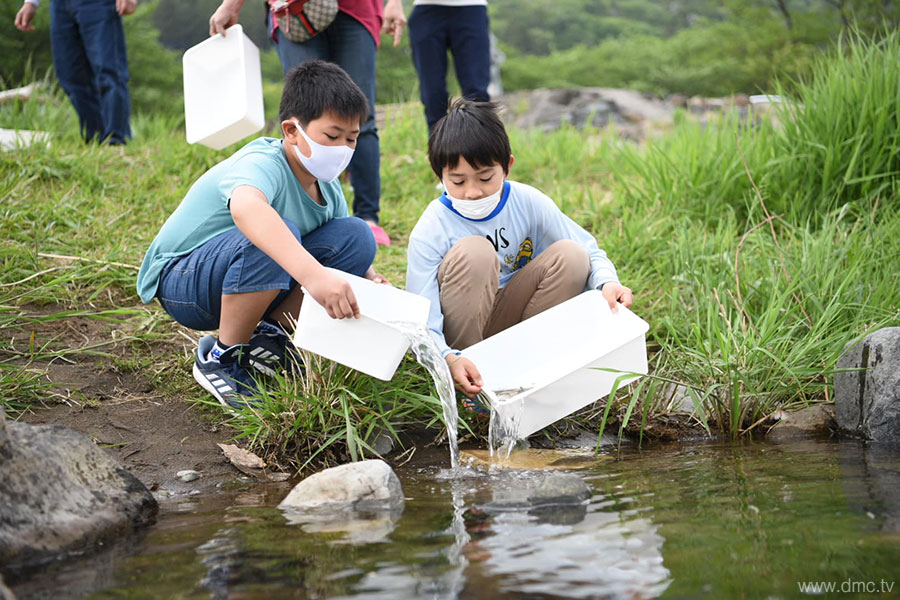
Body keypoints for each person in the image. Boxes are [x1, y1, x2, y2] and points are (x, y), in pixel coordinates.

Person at [136, 60, 388, 408]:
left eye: (351, 139)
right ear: (291, 130)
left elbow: (346, 249)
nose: (342, 149)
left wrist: (371, 280)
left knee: (358, 235)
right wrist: (315, 277)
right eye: (332, 136)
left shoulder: (328, 189)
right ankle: (222, 357)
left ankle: (266, 343)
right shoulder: (262, 162)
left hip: (243, 278)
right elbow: (247, 209)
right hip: (184, 282)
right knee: (274, 232)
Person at [405, 99, 634, 405]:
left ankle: (529, 370)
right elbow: (421, 313)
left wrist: (608, 283)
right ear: (439, 175)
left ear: (507, 167)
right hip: (461, 335)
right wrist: (447, 356)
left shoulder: (526, 201)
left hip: (508, 315)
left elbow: (587, 249)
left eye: (485, 178)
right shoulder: (432, 226)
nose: (472, 192)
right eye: (457, 181)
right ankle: (474, 386)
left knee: (571, 255)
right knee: (477, 252)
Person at [208, 0, 406, 246]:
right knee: (302, 115)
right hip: (293, 8)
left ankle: (367, 217)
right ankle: (288, 214)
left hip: (358, 8)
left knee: (359, 119)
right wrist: (231, 5)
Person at [14, 0, 134, 145]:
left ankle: (116, 140)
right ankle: (96, 140)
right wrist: (31, 3)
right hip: (60, 5)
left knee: (108, 71)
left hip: (98, 4)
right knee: (70, 76)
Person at [407, 0, 491, 134]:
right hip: (425, 9)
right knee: (432, 92)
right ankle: (438, 151)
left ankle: (481, 150)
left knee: (477, 95)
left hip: (472, 7)